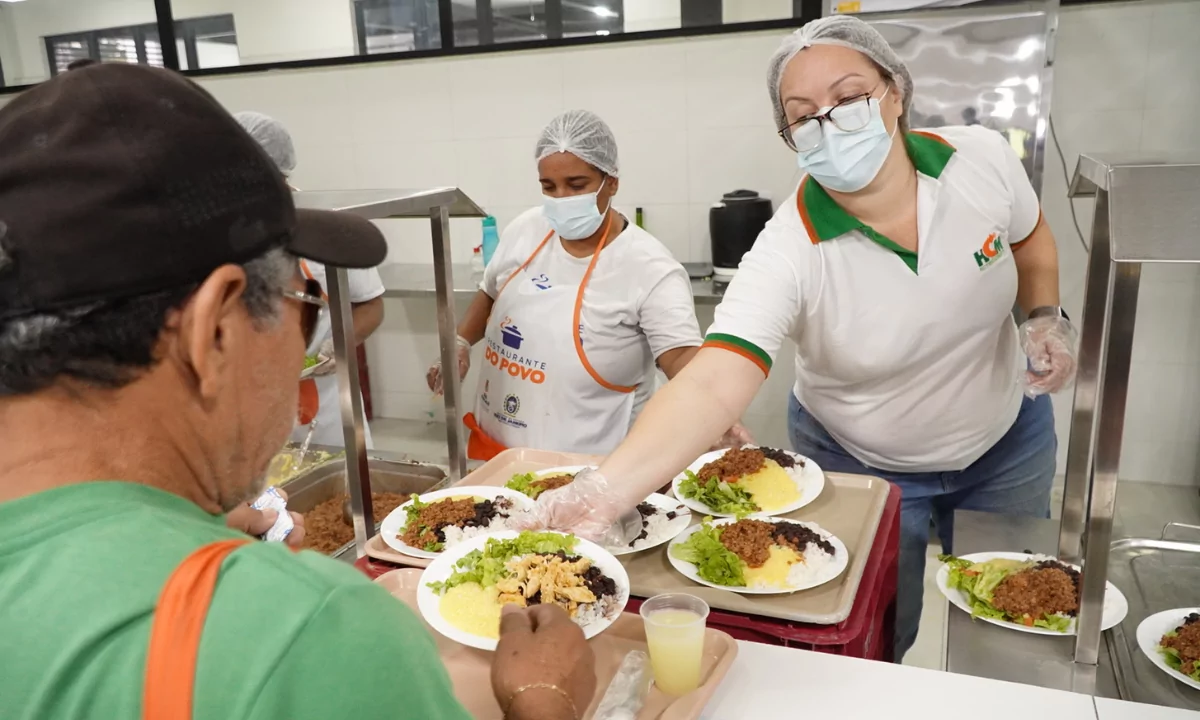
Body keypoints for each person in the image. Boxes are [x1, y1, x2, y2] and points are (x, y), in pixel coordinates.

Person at [0, 63, 593, 720]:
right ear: (215, 330)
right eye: (307, 303)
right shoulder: (303, 634)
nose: (310, 332)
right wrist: (547, 699)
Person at [516, 16, 1077, 661]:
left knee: (1015, 617)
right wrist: (602, 492)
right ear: (789, 136)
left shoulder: (977, 159)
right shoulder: (789, 247)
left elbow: (1030, 237)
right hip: (863, 462)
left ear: (895, 91)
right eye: (802, 114)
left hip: (1006, 444)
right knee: (878, 632)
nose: (828, 122)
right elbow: (713, 377)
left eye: (849, 96)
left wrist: (1043, 316)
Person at [427, 109, 749, 459]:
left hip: (590, 466)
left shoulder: (650, 269)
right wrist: (460, 343)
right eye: (548, 187)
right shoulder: (526, 229)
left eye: (577, 185)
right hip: (497, 451)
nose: (561, 197)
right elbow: (491, 291)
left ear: (611, 182)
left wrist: (717, 418)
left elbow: (683, 359)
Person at [234, 111, 387, 449]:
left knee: (344, 489)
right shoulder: (220, 230)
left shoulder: (324, 227)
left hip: (328, 400)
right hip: (247, 403)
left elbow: (371, 305)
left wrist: (341, 343)